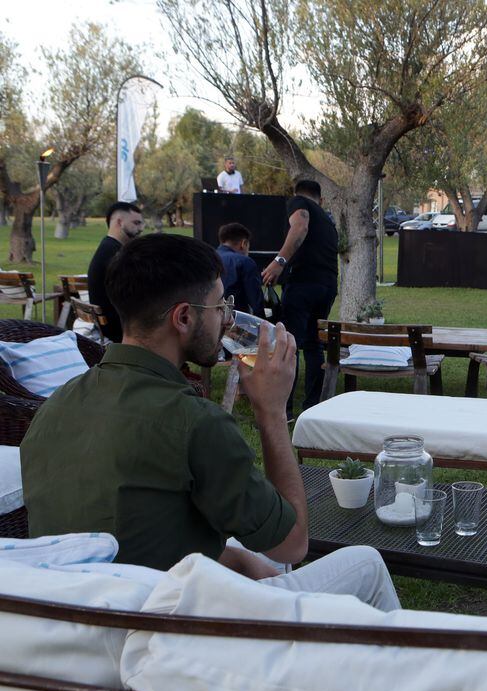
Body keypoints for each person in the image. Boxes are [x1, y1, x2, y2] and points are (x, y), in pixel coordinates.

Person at [20, 234, 398, 610]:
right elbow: (293, 542)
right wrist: (270, 411)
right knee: (365, 563)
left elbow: (141, 533)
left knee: (255, 550)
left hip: (87, 616)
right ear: (184, 317)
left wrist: (233, 559)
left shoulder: (55, 406)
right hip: (182, 632)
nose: (227, 318)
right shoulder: (194, 423)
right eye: (220, 306)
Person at [262, 179, 339, 419]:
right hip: (327, 286)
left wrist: (279, 262)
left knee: (289, 344)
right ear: (322, 199)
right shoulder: (328, 220)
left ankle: (283, 410)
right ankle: (312, 408)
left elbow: (300, 227)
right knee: (314, 345)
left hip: (303, 283)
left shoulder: (299, 203)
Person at [86, 201, 145, 343]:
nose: (141, 229)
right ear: (119, 222)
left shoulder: (108, 247)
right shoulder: (116, 255)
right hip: (119, 331)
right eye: (136, 223)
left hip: (108, 327)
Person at [217, 222, 264, 316]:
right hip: (235, 323)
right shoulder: (245, 262)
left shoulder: (207, 258)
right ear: (244, 243)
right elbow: (256, 303)